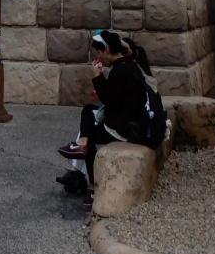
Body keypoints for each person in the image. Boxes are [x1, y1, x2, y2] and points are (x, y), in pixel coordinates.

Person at [59, 31, 149, 190]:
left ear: (107, 50)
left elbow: (109, 100)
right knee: (88, 113)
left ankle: (92, 185)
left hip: (125, 129)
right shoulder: (127, 65)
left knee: (89, 131)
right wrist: (101, 81)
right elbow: (115, 95)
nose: (98, 57)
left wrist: (97, 77)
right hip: (129, 122)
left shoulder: (121, 70)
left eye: (99, 52)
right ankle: (77, 169)